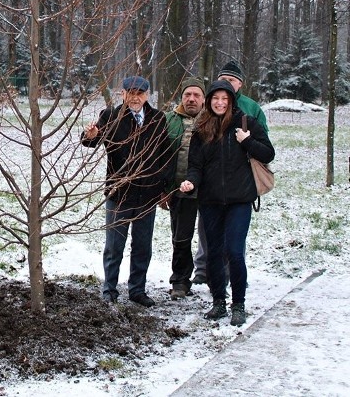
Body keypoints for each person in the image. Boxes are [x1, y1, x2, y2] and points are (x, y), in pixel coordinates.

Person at [179, 80, 274, 326]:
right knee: (213, 253)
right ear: (209, 101)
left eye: (225, 98)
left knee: (234, 251)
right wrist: (191, 182)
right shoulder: (202, 129)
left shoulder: (246, 123)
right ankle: (218, 302)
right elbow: (195, 165)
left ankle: (238, 305)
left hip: (239, 200)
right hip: (210, 200)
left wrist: (247, 141)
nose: (220, 103)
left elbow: (268, 153)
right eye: (215, 98)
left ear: (231, 100)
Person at [82, 75, 172, 307]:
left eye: (140, 93)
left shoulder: (157, 119)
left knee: (143, 247)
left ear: (147, 95)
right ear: (123, 94)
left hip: (147, 196)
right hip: (118, 194)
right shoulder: (111, 116)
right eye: (130, 93)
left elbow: (165, 156)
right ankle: (109, 290)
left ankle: (137, 290)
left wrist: (163, 188)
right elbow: (92, 140)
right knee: (114, 247)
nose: (135, 97)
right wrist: (89, 136)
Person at [192, 60, 268, 285]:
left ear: (240, 85)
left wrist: (248, 141)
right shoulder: (206, 116)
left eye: (231, 81)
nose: (226, 85)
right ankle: (206, 274)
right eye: (223, 80)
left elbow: (265, 146)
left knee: (234, 246)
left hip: (239, 191)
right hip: (212, 192)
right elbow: (197, 156)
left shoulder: (251, 109)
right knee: (210, 240)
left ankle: (235, 282)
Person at [161, 78, 205, 300]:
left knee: (215, 237)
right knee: (180, 237)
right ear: (182, 97)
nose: (191, 99)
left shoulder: (211, 120)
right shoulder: (169, 120)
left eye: (196, 95)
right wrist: (163, 189)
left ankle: (217, 277)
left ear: (203, 99)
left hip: (209, 190)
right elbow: (158, 156)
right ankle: (180, 280)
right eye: (188, 94)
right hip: (180, 190)